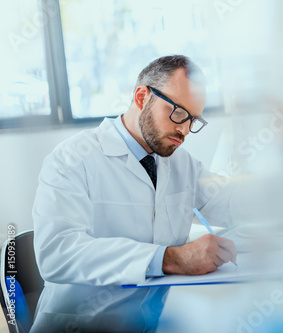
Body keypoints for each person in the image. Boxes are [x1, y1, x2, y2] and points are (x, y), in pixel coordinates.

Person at [31, 55, 238, 332]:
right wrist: (170, 258)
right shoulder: (72, 158)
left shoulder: (180, 162)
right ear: (142, 97)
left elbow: (230, 201)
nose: (184, 130)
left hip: (152, 323)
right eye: (178, 112)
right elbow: (57, 252)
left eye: (193, 120)